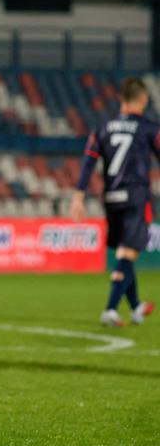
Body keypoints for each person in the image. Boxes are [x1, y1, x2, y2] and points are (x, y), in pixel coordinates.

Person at [70, 76, 157, 327]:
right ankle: (110, 309)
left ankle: (136, 306)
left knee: (124, 251)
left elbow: (88, 162)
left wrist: (78, 196)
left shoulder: (103, 128)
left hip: (111, 198)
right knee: (128, 254)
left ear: (121, 99)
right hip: (136, 197)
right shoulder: (149, 128)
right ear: (143, 99)